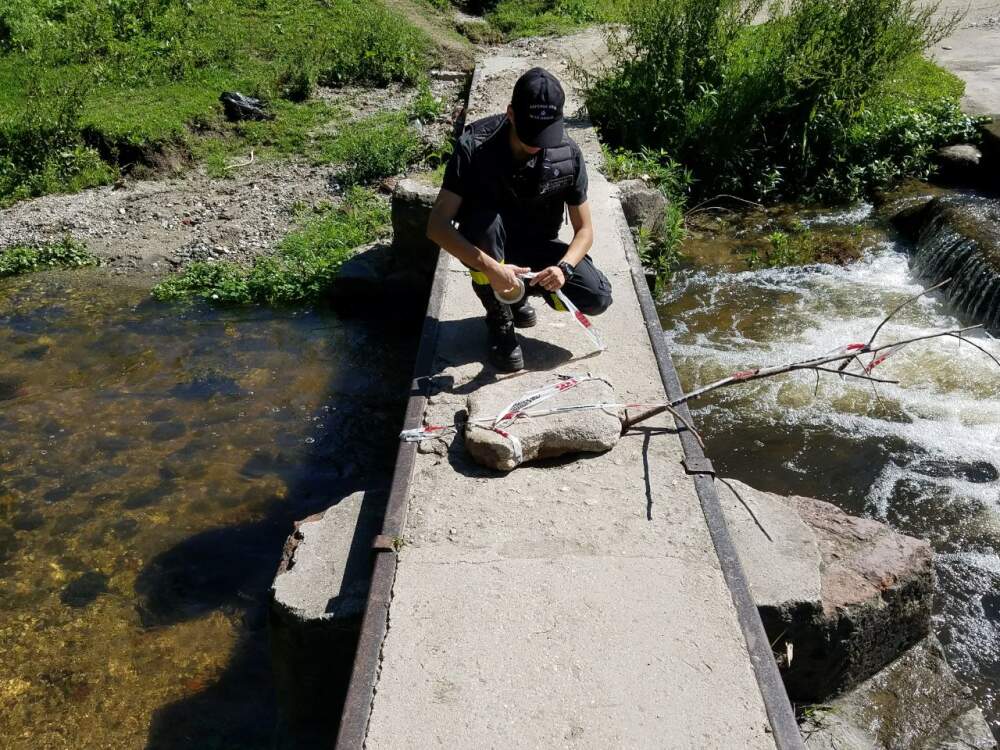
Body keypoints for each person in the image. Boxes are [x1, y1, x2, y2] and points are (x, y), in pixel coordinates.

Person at [426, 67, 613, 372]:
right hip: (489, 250)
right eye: (530, 132)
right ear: (510, 113)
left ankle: (520, 295)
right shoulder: (474, 147)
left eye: (545, 133)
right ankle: (500, 319)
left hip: (537, 249)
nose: (537, 143)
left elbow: (585, 230)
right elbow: (437, 226)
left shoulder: (568, 154)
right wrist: (493, 268)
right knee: (486, 227)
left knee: (598, 297)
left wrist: (563, 269)